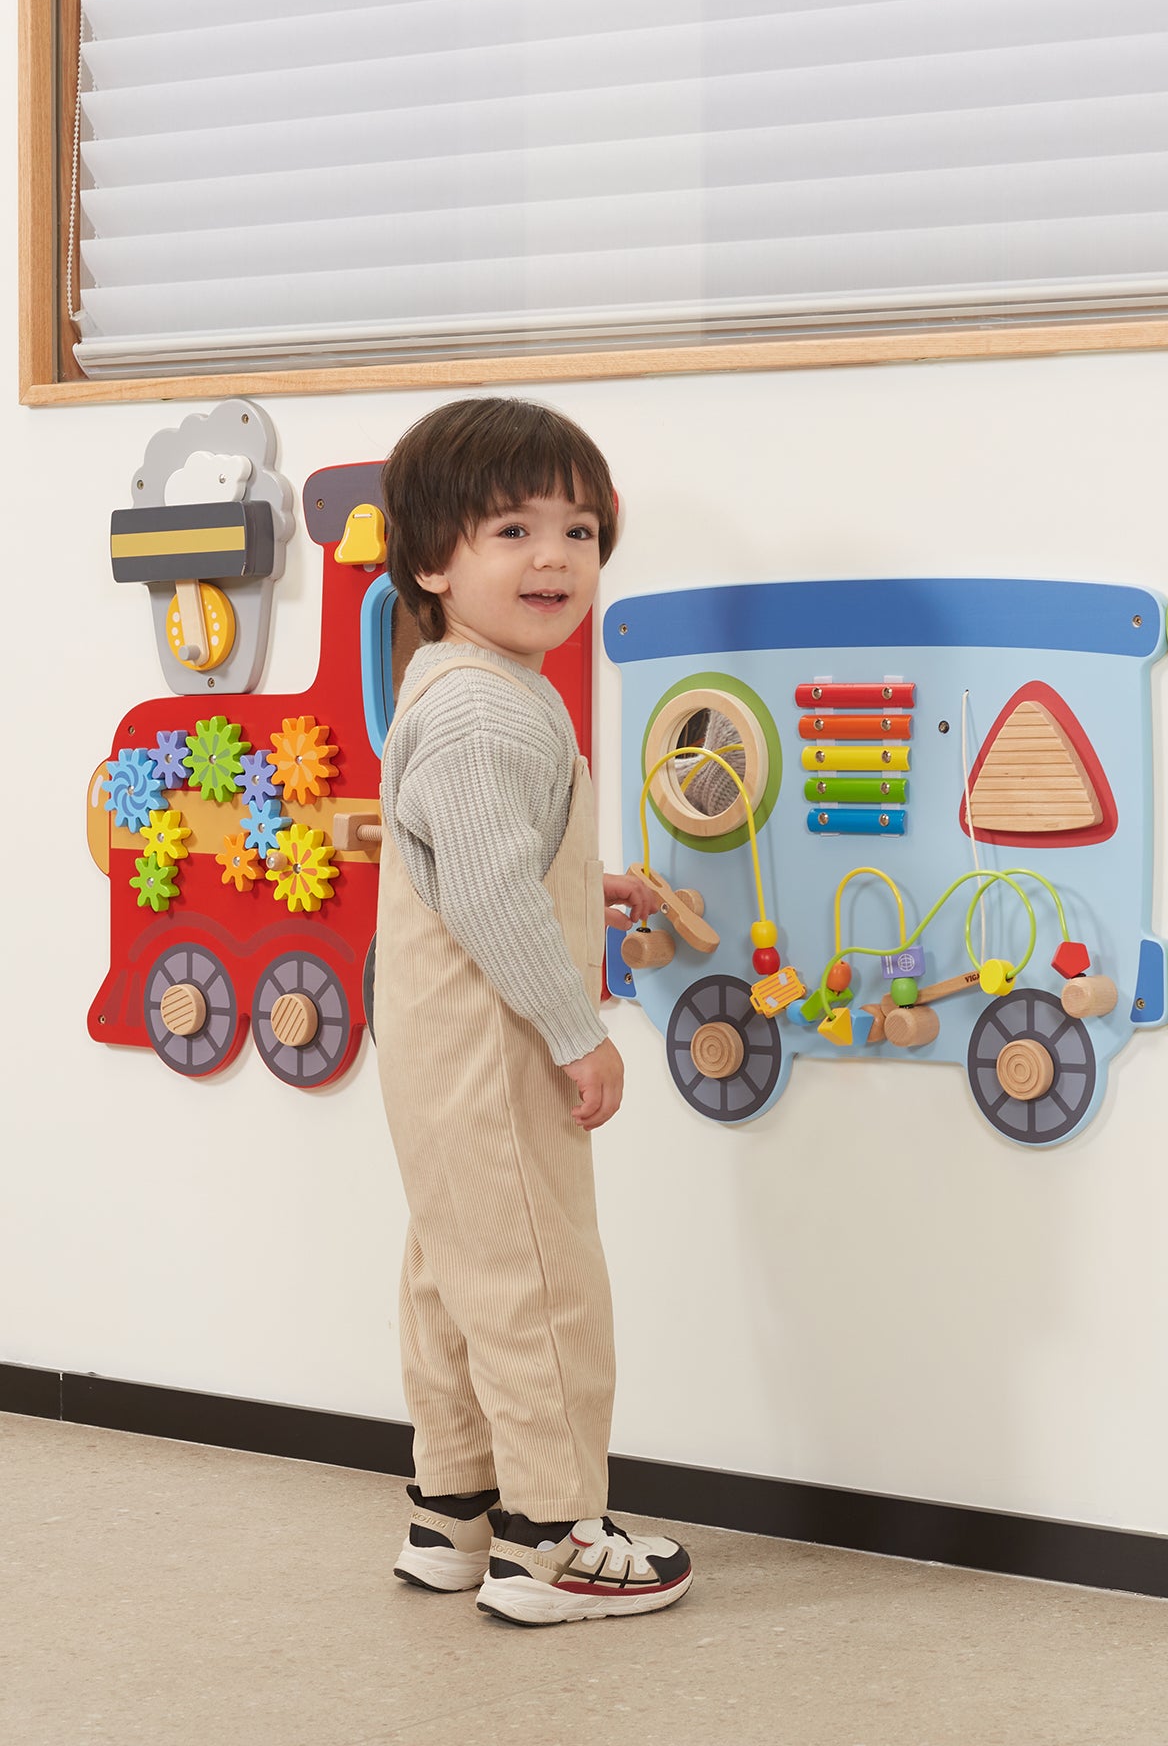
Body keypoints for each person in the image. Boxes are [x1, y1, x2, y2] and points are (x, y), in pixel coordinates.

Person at [374, 396, 691, 1627]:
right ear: (431, 560)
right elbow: (492, 894)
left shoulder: (458, 685)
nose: (554, 557)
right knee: (543, 1285)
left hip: (435, 1049)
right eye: (512, 530)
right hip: (493, 1049)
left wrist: (582, 880)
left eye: (579, 530)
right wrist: (578, 1033)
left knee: (457, 1270)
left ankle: (455, 1511)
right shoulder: (486, 706)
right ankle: (554, 1536)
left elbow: (477, 855)